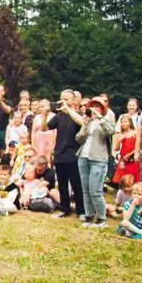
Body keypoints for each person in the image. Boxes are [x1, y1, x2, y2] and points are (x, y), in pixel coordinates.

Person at [76, 97, 115, 228]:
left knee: (95, 190)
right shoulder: (89, 122)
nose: (94, 109)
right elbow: (78, 139)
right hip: (83, 157)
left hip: (98, 159)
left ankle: (101, 218)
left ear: (102, 109)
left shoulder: (105, 121)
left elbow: (111, 131)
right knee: (86, 189)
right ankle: (89, 215)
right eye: (92, 106)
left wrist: (100, 117)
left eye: (97, 107)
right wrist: (84, 126)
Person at [46, 90, 85, 219]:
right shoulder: (59, 116)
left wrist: (68, 109)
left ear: (74, 101)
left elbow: (82, 123)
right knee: (62, 185)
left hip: (73, 155)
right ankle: (65, 209)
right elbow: (45, 127)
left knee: (76, 184)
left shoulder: (78, 115)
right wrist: (45, 113)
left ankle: (81, 211)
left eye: (66, 99)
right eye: (61, 98)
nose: (63, 101)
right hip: (59, 154)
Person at [113, 114, 141, 183]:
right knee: (122, 179)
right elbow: (116, 149)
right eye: (122, 122)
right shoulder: (121, 134)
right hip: (123, 159)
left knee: (132, 178)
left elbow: (139, 147)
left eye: (125, 122)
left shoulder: (135, 133)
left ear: (130, 123)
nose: (123, 124)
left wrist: (129, 155)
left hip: (132, 159)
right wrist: (118, 141)